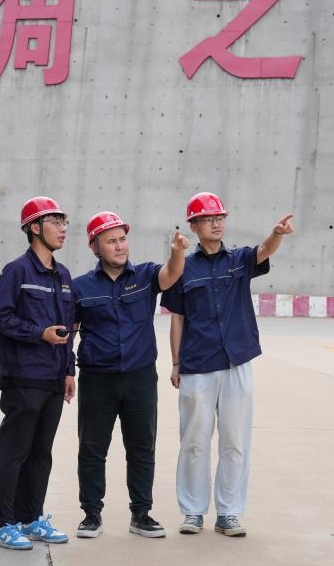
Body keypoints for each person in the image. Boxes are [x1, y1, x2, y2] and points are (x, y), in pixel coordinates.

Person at [160, 192, 294, 537]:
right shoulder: (183, 268)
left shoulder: (239, 259)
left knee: (235, 441)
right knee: (194, 442)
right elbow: (177, 318)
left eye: (220, 217)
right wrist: (175, 363)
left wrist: (276, 233)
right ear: (194, 226)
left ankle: (229, 513)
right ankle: (192, 512)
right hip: (197, 364)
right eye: (208, 219)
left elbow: (264, 251)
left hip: (237, 362)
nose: (216, 224)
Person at [72, 211, 190, 539]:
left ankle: (141, 514)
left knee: (141, 448)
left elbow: (171, 274)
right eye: (111, 241)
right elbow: (69, 332)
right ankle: (91, 515)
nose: (120, 246)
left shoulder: (146, 275)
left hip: (140, 378)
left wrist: (177, 252)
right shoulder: (80, 287)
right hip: (97, 379)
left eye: (122, 239)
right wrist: (67, 372)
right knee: (92, 448)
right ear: (94, 247)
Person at [0, 196, 77, 550]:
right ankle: (3, 523)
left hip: (54, 377)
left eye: (64, 222)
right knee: (15, 451)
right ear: (34, 228)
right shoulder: (17, 271)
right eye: (54, 222)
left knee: (41, 453)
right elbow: (2, 316)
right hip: (23, 377)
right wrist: (39, 333)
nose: (62, 229)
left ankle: (31, 517)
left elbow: (69, 326)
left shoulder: (63, 275)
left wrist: (68, 370)